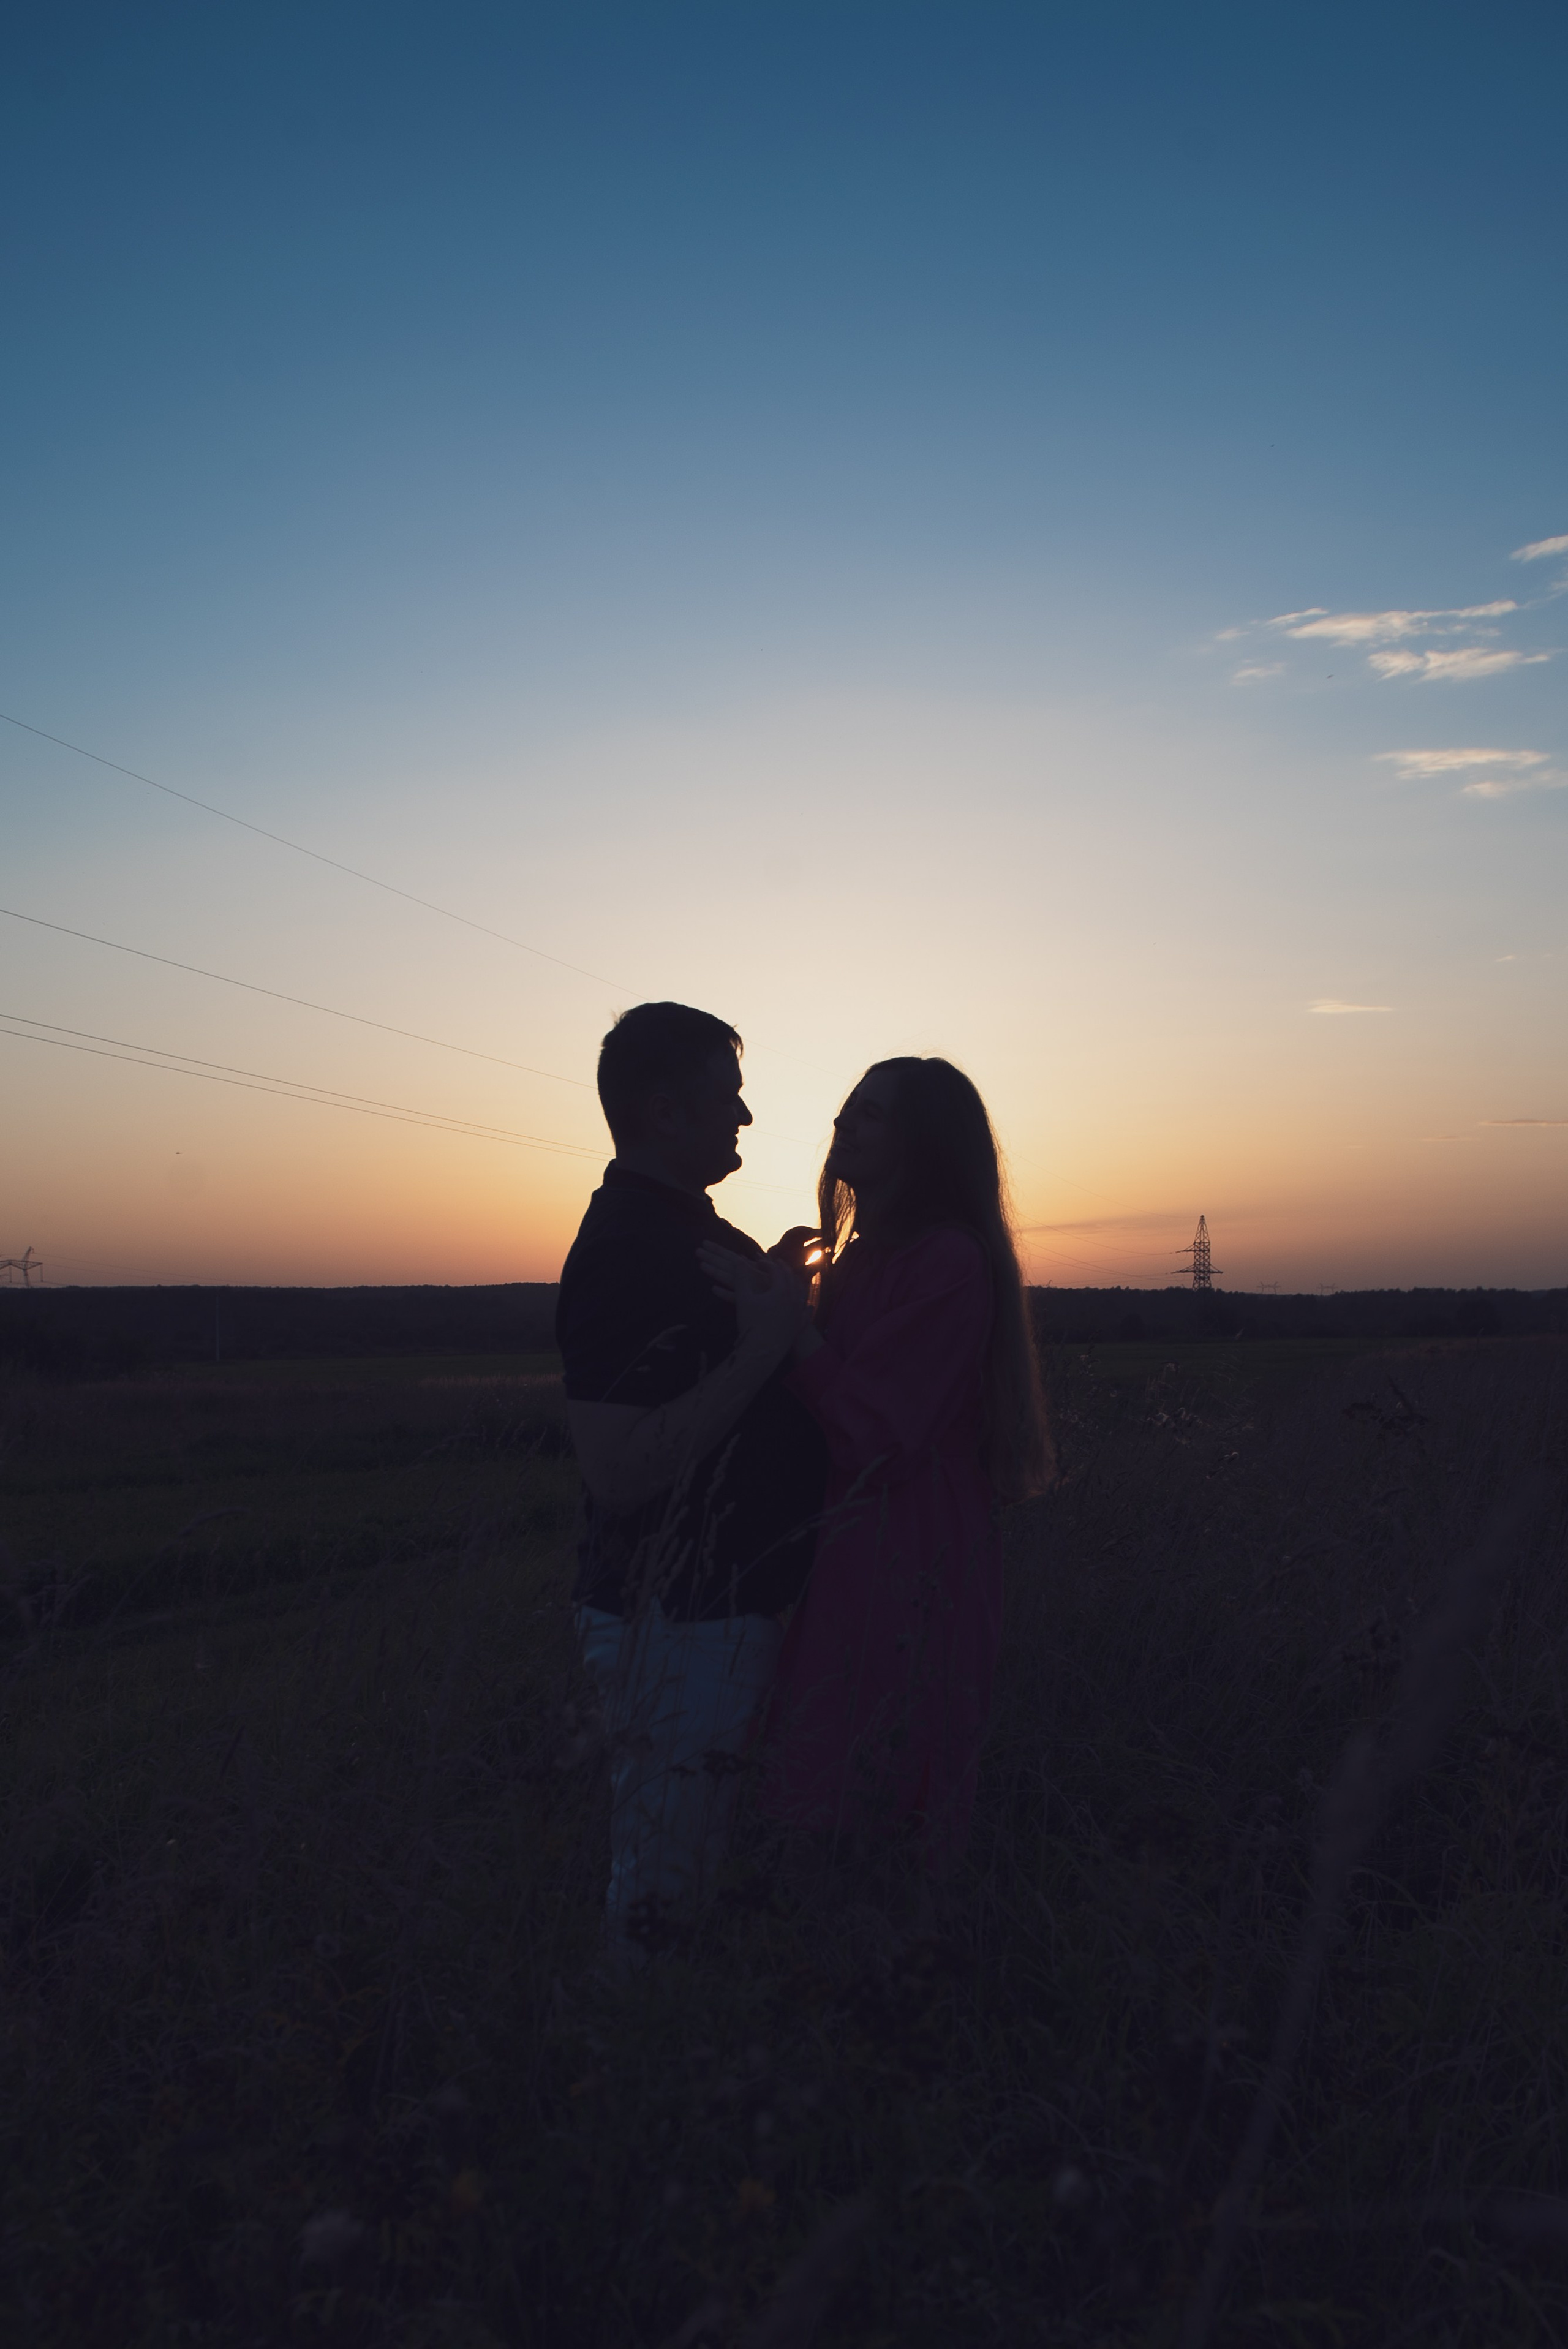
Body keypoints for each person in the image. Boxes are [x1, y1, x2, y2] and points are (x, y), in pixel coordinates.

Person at [701, 1057, 1052, 1880]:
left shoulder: (950, 1263)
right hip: (851, 1541)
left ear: (924, 1144)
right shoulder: (861, 1258)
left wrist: (795, 1333)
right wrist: (789, 1292)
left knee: (883, 1769)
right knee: (823, 1766)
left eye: (871, 1115)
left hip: (912, 1544)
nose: (843, 1125)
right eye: (846, 1109)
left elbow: (877, 1435)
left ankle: (890, 1968)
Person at [557, 1002, 826, 1954]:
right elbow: (620, 1471)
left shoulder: (684, 1231)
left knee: (694, 1873)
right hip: (670, 1621)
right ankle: (631, 2078)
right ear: (668, 1113)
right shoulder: (627, 1249)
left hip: (706, 1612)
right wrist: (764, 1350)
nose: (746, 1118)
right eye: (731, 1098)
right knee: (664, 1891)